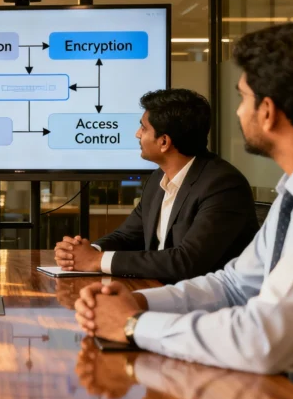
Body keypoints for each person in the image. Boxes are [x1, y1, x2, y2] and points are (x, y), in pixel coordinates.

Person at [73, 22, 293, 376]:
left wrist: (134, 324)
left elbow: (263, 341)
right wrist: (136, 301)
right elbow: (232, 285)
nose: (238, 112)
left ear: (268, 111)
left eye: (243, 97)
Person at [54, 89, 258, 281]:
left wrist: (96, 261)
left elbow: (187, 262)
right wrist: (86, 252)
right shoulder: (157, 179)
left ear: (164, 142)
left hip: (208, 305)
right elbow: (127, 236)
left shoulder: (223, 186)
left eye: (143, 128)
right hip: (161, 290)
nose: (137, 134)